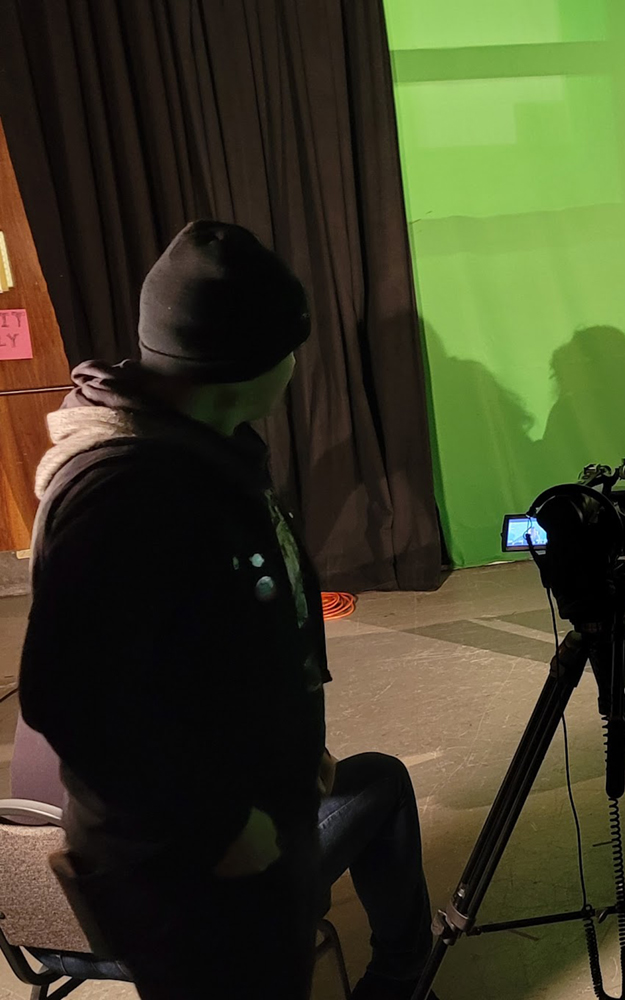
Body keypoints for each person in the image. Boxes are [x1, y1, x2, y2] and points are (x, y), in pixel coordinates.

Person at [18, 221, 434, 1000]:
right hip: (196, 868)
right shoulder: (128, 494)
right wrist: (214, 827)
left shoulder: (203, 452)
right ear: (241, 366)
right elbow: (67, 697)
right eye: (289, 353)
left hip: (252, 818)